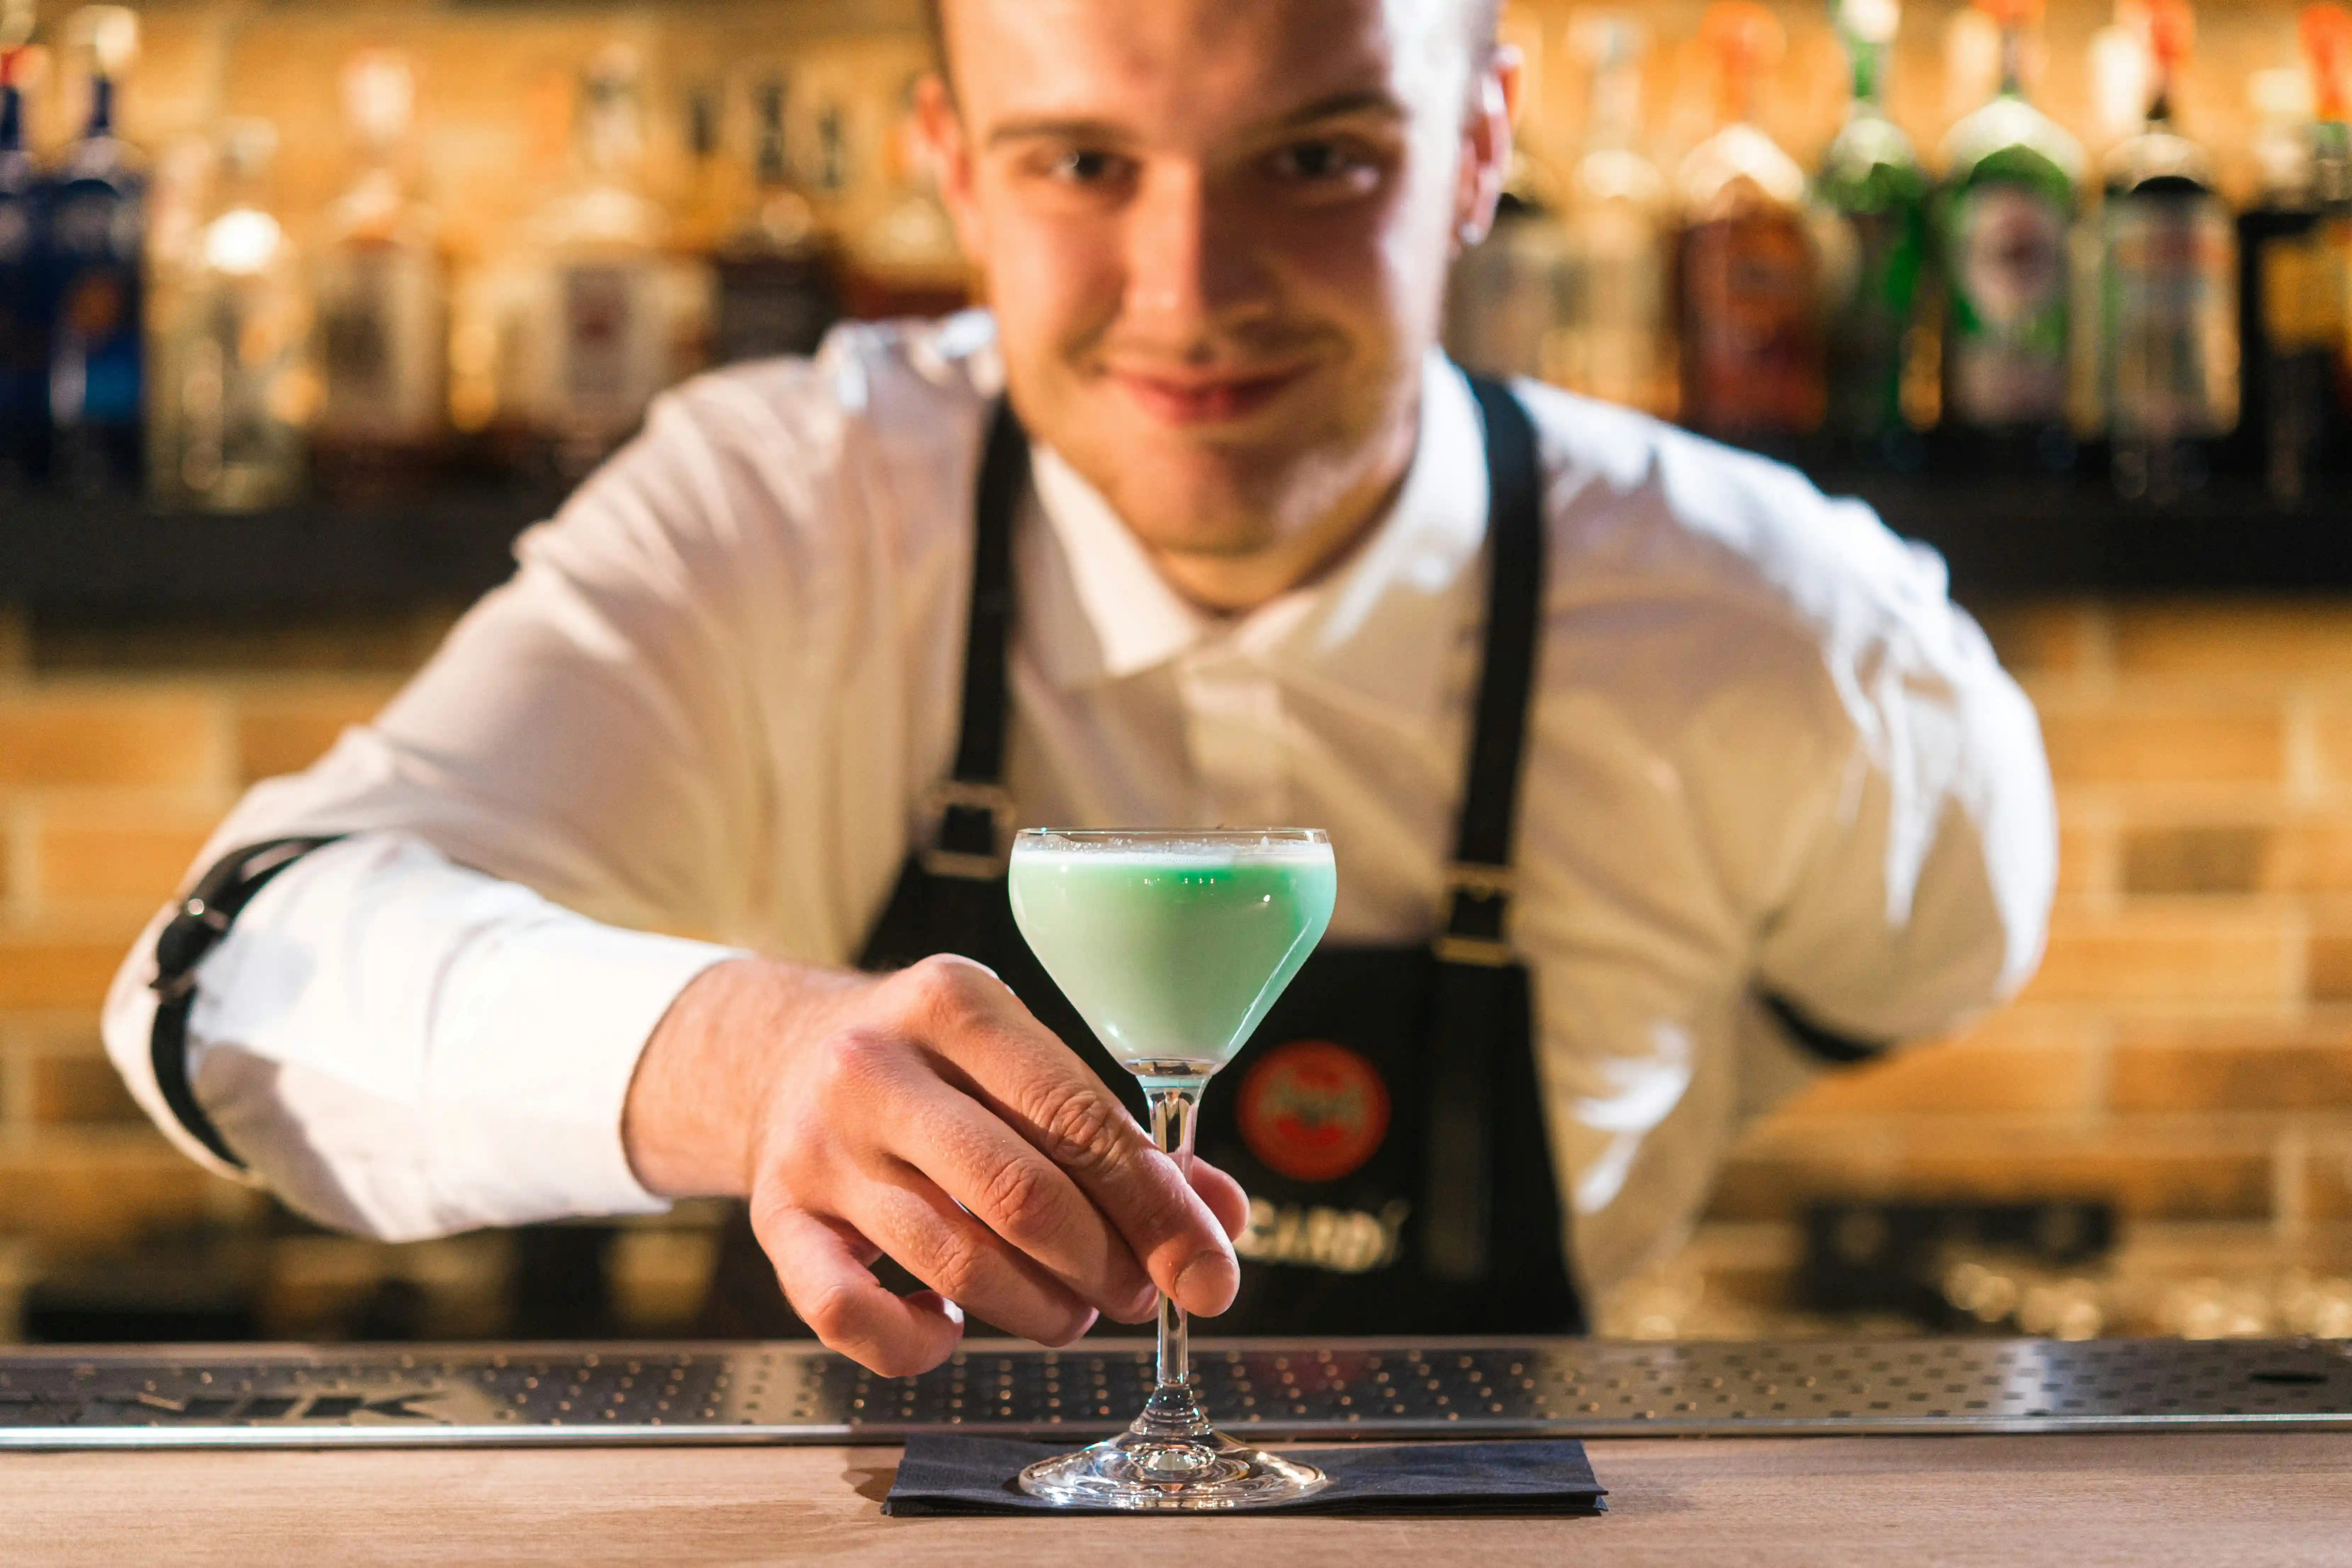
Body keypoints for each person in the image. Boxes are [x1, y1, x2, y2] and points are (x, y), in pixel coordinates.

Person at [102, 0, 2055, 1376]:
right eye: (1080, 163)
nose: (1190, 284)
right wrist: (745, 1058)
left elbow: (1899, 971)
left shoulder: (1796, 629)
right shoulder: (775, 513)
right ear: (950, 164)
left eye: (1318, 155)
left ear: (1475, 145)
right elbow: (221, 987)